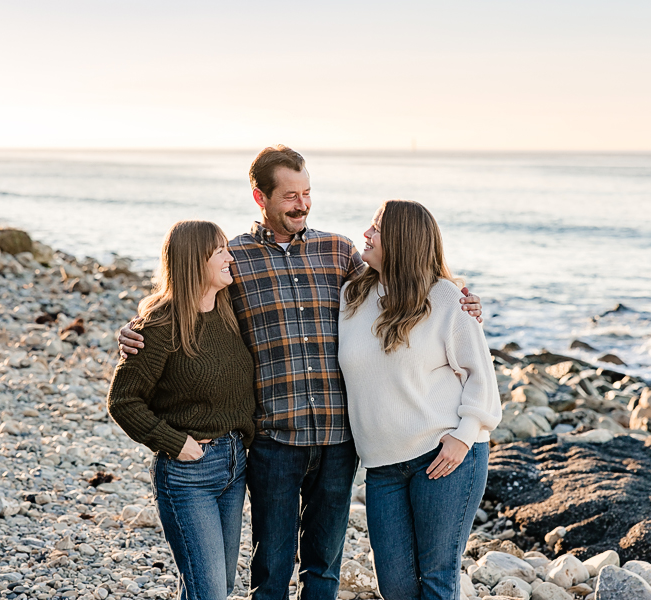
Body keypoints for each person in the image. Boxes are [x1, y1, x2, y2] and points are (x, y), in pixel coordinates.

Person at [118, 146, 484, 600]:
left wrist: (464, 302)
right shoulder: (232, 259)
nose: (302, 204)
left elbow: (403, 284)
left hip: (339, 438)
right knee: (270, 568)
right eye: (290, 195)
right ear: (261, 197)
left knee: (323, 567)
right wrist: (138, 326)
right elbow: (188, 301)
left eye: (307, 192)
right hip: (274, 438)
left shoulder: (340, 252)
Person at [337, 200, 502, 600]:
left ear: (401, 240)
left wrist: (464, 436)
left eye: (376, 228)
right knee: (394, 587)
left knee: (436, 579)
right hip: (381, 466)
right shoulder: (352, 296)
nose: (367, 234)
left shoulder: (446, 298)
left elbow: (482, 376)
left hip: (443, 457)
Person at [106, 220, 256, 600]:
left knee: (216, 586)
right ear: (193, 261)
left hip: (234, 466)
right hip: (188, 474)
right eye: (219, 250)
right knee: (208, 592)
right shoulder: (158, 326)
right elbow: (123, 400)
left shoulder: (229, 312)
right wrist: (174, 442)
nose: (230, 256)